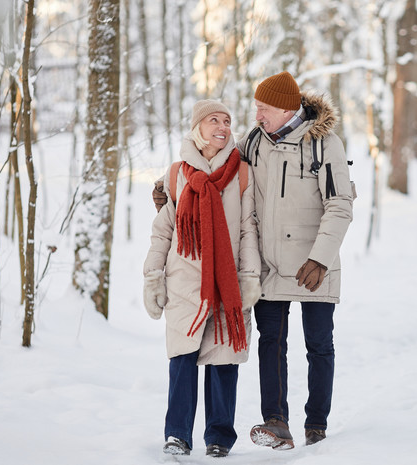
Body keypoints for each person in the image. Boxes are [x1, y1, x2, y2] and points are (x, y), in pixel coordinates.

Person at [143, 99, 261, 458]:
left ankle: (219, 437)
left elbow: (247, 228)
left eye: (227, 121)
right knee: (182, 358)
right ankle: (178, 434)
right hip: (185, 280)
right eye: (214, 120)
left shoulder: (241, 172)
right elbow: (163, 230)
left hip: (227, 281)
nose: (222, 126)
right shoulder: (178, 173)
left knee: (223, 359)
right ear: (198, 127)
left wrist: (250, 275)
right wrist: (153, 276)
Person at [243, 71, 354, 450]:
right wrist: (168, 188)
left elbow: (340, 205)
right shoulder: (255, 142)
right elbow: (216, 169)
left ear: (287, 108)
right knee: (271, 342)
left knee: (319, 345)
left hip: (313, 265)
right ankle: (276, 422)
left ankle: (316, 425)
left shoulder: (324, 143)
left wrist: (321, 259)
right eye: (256, 107)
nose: (257, 115)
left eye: (264, 108)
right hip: (270, 264)